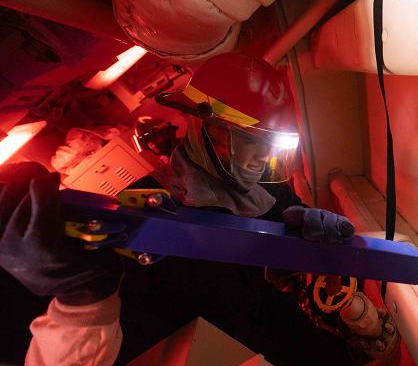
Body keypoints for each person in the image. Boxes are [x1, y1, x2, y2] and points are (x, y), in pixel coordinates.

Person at [0, 53, 396, 366]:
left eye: (273, 149)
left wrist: (306, 231)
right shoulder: (146, 216)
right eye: (250, 144)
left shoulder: (265, 190)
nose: (261, 163)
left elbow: (288, 247)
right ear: (207, 128)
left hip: (289, 335)